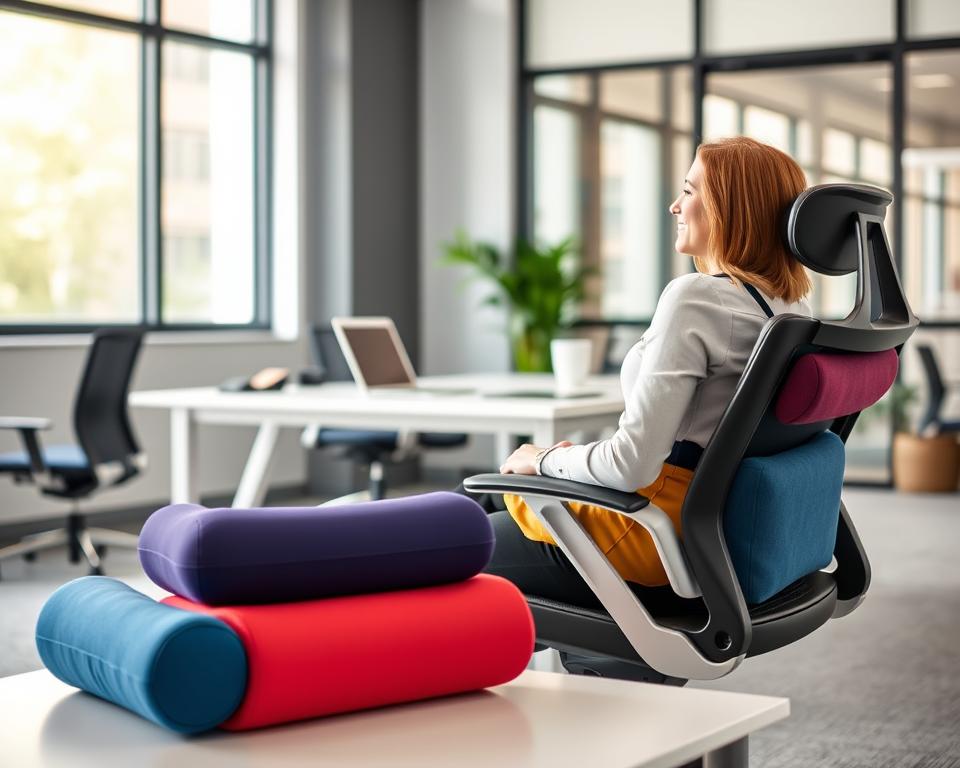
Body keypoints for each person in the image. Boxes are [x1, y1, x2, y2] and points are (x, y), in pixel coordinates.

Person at [458, 136, 812, 609]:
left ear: (731, 208)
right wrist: (571, 458)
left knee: (451, 531)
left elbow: (631, 466)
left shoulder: (698, 298)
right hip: (712, 525)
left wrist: (543, 460)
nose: (674, 206)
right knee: (474, 504)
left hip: (649, 531)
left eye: (689, 191)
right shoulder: (793, 309)